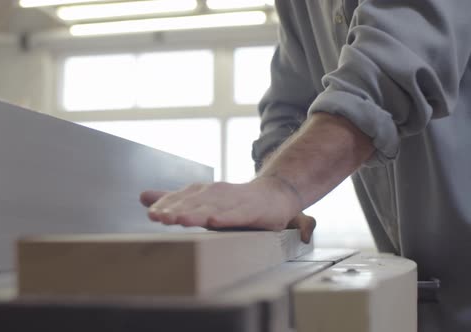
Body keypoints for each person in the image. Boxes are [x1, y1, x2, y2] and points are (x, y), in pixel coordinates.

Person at [140, 1, 471, 331]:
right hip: (431, 299)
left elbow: (395, 62)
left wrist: (281, 188)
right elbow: (286, 108)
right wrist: (274, 192)